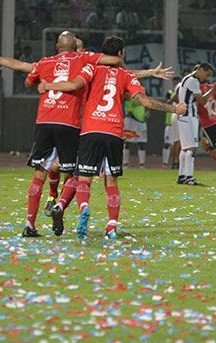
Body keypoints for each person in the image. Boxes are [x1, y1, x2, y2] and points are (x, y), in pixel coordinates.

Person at [0, 33, 172, 237]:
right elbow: (116, 66)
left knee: (41, 172)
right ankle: (62, 204)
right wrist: (149, 72)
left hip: (45, 119)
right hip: (73, 124)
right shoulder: (85, 60)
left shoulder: (47, 62)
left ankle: (31, 222)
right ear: (75, 47)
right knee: (76, 174)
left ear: (57, 45)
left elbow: (21, 66)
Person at [38, 36, 186, 240]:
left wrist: (48, 87)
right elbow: (145, 101)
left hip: (88, 129)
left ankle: (79, 207)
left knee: (81, 177)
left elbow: (72, 84)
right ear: (121, 53)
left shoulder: (90, 68)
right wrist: (174, 108)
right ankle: (111, 226)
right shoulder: (125, 75)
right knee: (111, 182)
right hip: (113, 131)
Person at [176, 63, 216, 186]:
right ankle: (189, 177)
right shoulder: (193, 81)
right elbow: (203, 101)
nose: (206, 78)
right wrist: (213, 90)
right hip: (189, 116)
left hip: (182, 115)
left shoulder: (186, 78)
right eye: (206, 74)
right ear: (200, 69)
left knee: (184, 147)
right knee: (192, 147)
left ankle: (181, 176)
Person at [123, 94, 148, 168]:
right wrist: (138, 119)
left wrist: (147, 112)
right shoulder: (130, 90)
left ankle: (142, 165)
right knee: (127, 142)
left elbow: (147, 104)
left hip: (141, 121)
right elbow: (129, 110)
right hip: (130, 120)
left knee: (142, 142)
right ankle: (125, 164)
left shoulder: (143, 90)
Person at [162, 76, 181, 169]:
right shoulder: (170, 93)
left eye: (177, 81)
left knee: (176, 142)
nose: (175, 83)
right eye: (174, 81)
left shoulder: (181, 92)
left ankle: (174, 162)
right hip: (170, 120)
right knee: (170, 143)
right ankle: (166, 163)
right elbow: (167, 103)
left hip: (176, 119)